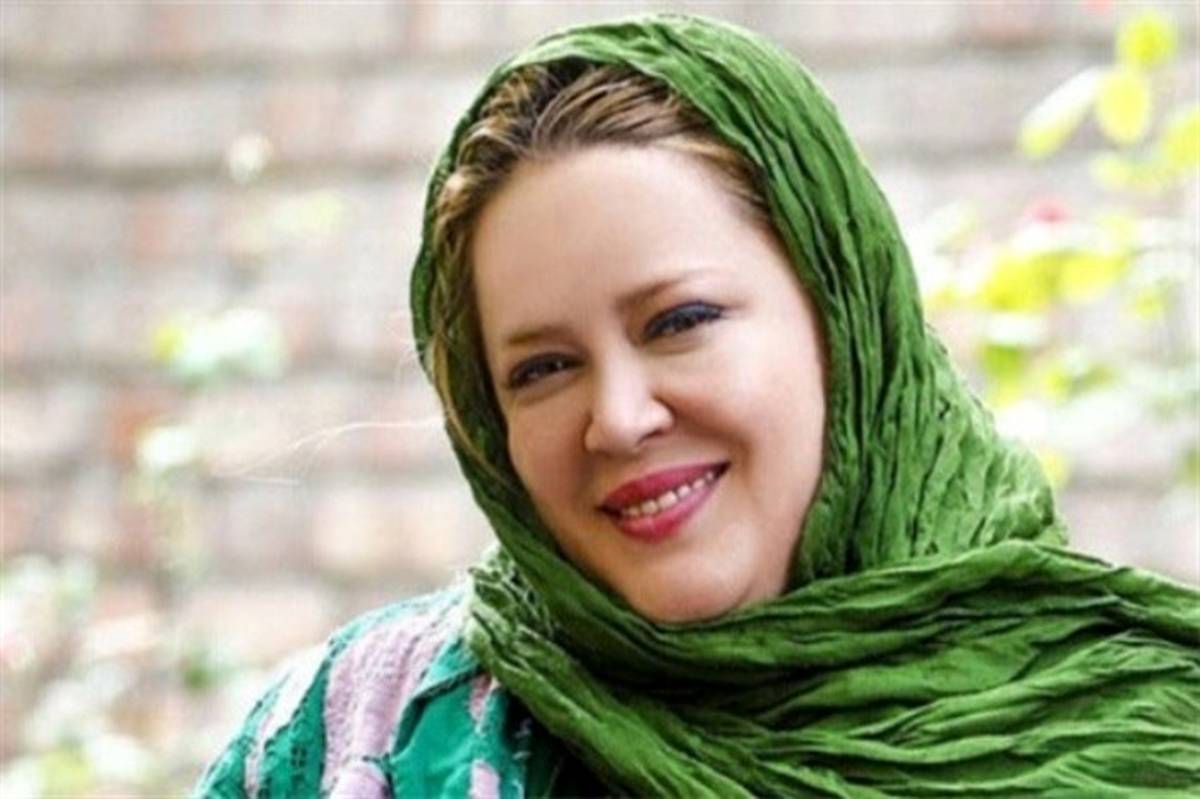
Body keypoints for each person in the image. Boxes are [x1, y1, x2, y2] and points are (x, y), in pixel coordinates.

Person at [195, 13, 1199, 798]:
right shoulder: (359, 739)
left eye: (679, 321)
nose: (619, 418)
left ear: (842, 319)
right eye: (543, 369)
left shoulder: (1141, 739)